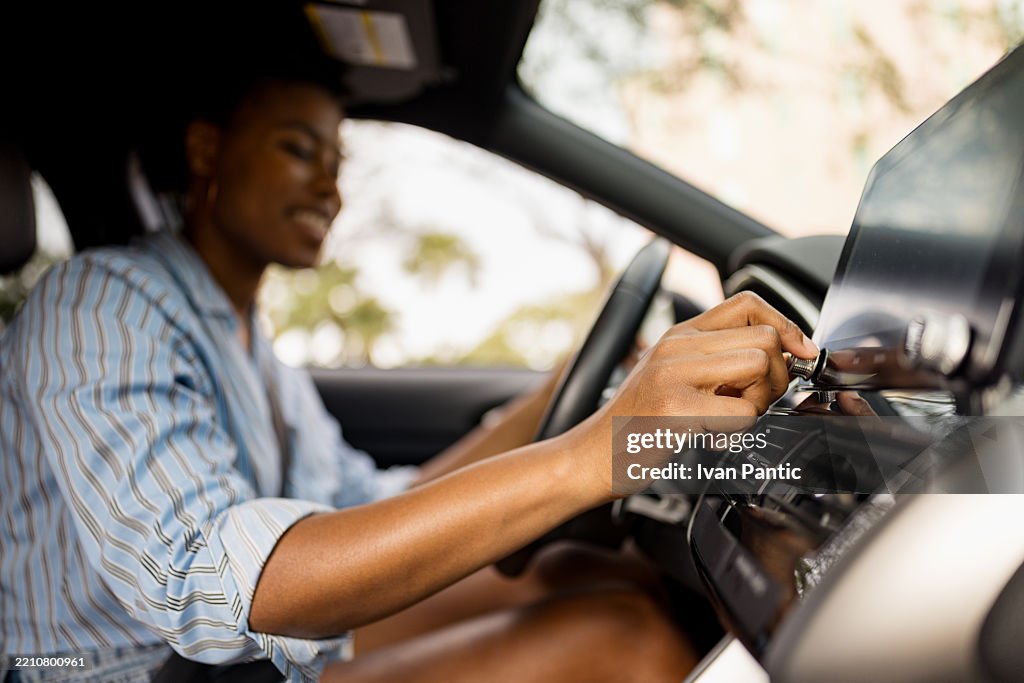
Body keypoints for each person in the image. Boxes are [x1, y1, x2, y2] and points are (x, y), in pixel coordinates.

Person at [0, 57, 819, 683]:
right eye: (298, 148)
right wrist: (598, 450)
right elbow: (211, 582)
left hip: (237, 659)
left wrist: (552, 401)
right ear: (207, 148)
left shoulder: (246, 343)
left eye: (336, 159)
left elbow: (368, 510)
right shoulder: (99, 306)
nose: (330, 184)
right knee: (626, 645)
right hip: (146, 672)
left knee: (587, 571)